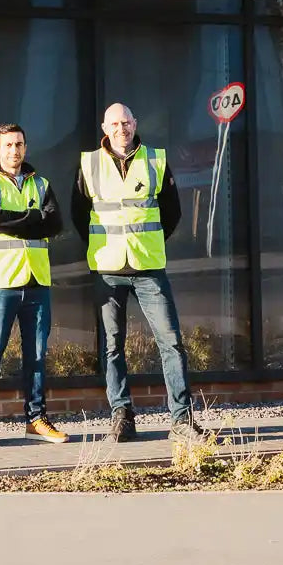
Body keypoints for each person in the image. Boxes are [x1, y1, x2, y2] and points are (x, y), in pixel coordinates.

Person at [72, 102, 204, 445]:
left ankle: (182, 419)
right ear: (105, 128)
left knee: (171, 343)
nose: (122, 128)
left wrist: (149, 242)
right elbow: (79, 214)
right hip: (108, 270)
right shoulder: (89, 164)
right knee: (112, 347)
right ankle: (122, 416)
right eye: (115, 124)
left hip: (148, 268)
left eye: (126, 122)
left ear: (135, 123)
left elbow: (172, 212)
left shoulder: (155, 160)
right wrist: (104, 247)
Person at [0, 122, 69, 447]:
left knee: (37, 355)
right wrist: (33, 218)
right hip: (1, 282)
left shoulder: (42, 183)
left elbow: (55, 223)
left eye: (19, 144)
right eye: (8, 145)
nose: (14, 150)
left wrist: (19, 220)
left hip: (37, 281)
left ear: (26, 147)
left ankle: (36, 419)